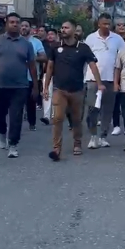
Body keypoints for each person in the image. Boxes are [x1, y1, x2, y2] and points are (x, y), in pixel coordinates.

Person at [43, 20, 102, 160]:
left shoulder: (83, 48)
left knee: (76, 119)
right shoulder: (55, 47)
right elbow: (50, 67)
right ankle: (56, 149)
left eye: (66, 27)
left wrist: (99, 84)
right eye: (62, 27)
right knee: (57, 118)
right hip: (59, 89)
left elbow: (93, 65)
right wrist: (45, 87)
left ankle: (77, 143)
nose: (63, 30)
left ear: (74, 30)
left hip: (77, 90)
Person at [0, 12, 38, 158]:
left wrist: (36, 86)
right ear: (6, 23)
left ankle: (13, 144)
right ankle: (2, 132)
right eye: (12, 22)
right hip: (0, 86)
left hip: (20, 87)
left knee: (16, 117)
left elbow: (32, 66)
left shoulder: (26, 44)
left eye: (17, 22)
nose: (15, 25)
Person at [84, 13, 125, 149]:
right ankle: (93, 136)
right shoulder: (91, 38)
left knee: (108, 109)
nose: (107, 26)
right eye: (104, 24)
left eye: (109, 24)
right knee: (92, 109)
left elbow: (124, 56)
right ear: (98, 24)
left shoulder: (117, 39)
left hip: (110, 79)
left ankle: (103, 136)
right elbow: (85, 57)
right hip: (92, 79)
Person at [20, 19, 47, 131]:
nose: (24, 28)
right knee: (16, 102)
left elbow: (44, 57)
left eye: (26, 26)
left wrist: (33, 58)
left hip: (31, 77)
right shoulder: (15, 41)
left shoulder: (36, 42)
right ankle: (16, 124)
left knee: (31, 102)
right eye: (22, 26)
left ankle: (32, 123)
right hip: (16, 77)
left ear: (30, 29)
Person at [110, 18, 125, 136]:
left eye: (124, 25)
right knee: (115, 101)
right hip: (114, 72)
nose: (121, 27)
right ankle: (116, 125)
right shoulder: (111, 40)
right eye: (119, 25)